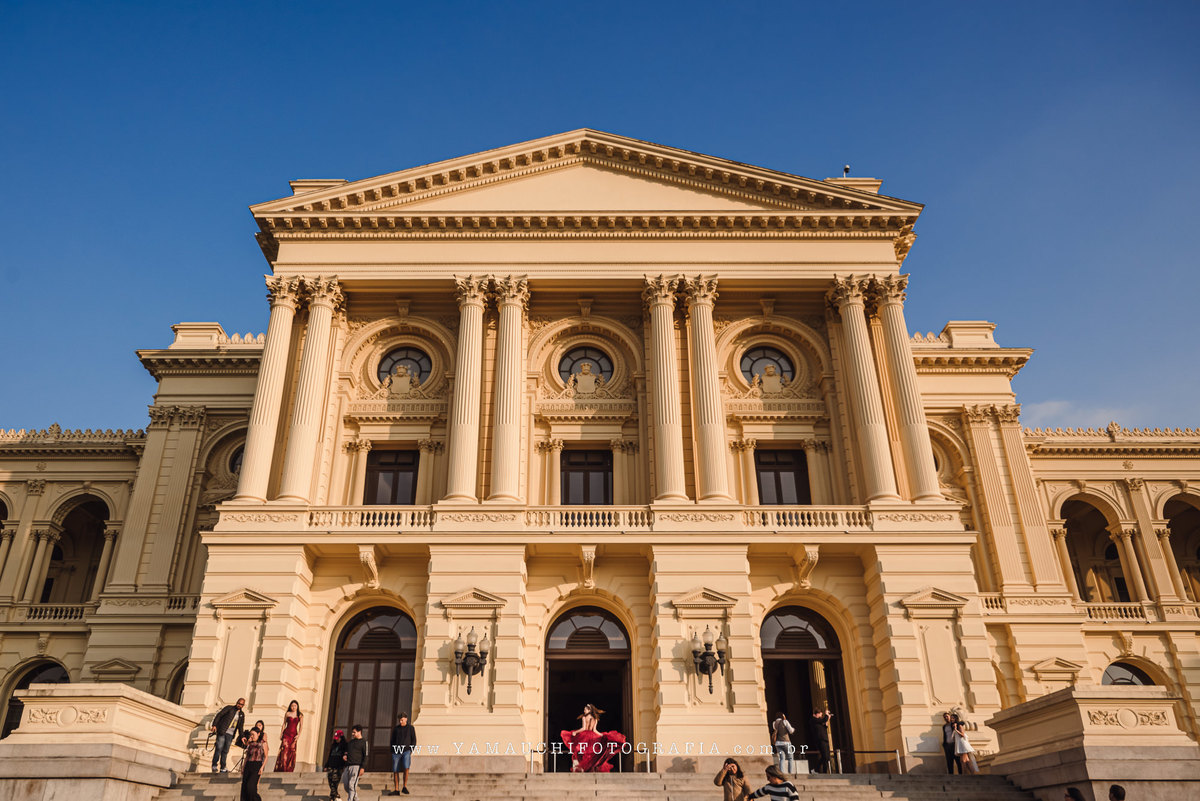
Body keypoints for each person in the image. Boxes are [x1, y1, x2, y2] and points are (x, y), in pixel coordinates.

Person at [560, 703, 627, 772]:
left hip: (584, 736)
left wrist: (575, 732)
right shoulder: (595, 718)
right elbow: (594, 730)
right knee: (592, 754)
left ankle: (583, 768)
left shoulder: (584, 717)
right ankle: (591, 769)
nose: (584, 711)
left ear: (589, 710)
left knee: (582, 752)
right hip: (593, 736)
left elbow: (583, 728)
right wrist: (602, 735)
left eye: (585, 709)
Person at [210, 697, 246, 773]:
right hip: (222, 731)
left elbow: (240, 727)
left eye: (241, 704)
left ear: (243, 705)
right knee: (219, 748)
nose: (239, 705)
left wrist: (242, 736)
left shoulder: (241, 715)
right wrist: (214, 725)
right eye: (238, 703)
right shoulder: (229, 708)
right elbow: (219, 715)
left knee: (225, 751)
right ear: (236, 702)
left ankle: (223, 767)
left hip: (230, 734)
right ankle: (214, 765)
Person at [389, 711, 417, 795]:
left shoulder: (410, 728)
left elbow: (414, 740)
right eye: (399, 720)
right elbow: (392, 740)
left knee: (406, 767)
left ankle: (404, 787)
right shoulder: (396, 729)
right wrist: (392, 751)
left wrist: (411, 750)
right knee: (395, 770)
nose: (400, 722)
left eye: (402, 720)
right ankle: (396, 789)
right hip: (396, 751)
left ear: (406, 719)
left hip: (406, 751)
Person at [240, 727, 268, 801]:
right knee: (244, 787)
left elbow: (266, 757)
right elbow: (247, 757)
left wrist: (262, 767)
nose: (251, 736)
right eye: (250, 735)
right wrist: (243, 767)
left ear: (258, 734)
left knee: (251, 787)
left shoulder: (263, 743)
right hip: (248, 765)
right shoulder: (250, 744)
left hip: (257, 765)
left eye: (253, 734)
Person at [274, 700, 303, 772]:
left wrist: (298, 736)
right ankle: (283, 768)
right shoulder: (287, 714)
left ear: (297, 706)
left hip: (294, 735)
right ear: (290, 706)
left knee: (291, 751)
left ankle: (288, 769)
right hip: (286, 734)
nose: (293, 707)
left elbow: (301, 726)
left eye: (295, 706)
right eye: (292, 706)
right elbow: (284, 724)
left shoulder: (300, 715)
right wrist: (281, 734)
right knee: (284, 750)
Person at [342, 724, 369, 801]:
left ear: (359, 732)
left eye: (354, 732)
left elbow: (366, 756)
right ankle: (356, 799)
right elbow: (346, 751)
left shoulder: (364, 742)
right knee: (346, 786)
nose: (352, 734)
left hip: (357, 767)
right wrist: (345, 755)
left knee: (351, 785)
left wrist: (362, 768)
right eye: (352, 732)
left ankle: (350, 799)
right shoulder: (350, 742)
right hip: (347, 767)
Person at [806, 708, 832, 774]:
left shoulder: (818, 721)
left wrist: (827, 720)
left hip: (824, 739)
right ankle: (818, 770)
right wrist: (826, 715)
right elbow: (823, 720)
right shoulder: (813, 719)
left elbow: (824, 726)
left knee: (826, 757)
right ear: (816, 714)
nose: (820, 717)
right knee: (824, 756)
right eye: (820, 715)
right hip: (820, 740)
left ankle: (820, 770)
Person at [324, 729, 347, 801]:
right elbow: (330, 756)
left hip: (339, 766)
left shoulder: (345, 745)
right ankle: (334, 795)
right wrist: (326, 765)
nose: (337, 740)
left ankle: (335, 795)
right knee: (330, 780)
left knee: (335, 781)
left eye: (338, 738)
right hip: (331, 765)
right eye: (336, 739)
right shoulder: (333, 745)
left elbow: (346, 755)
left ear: (341, 737)